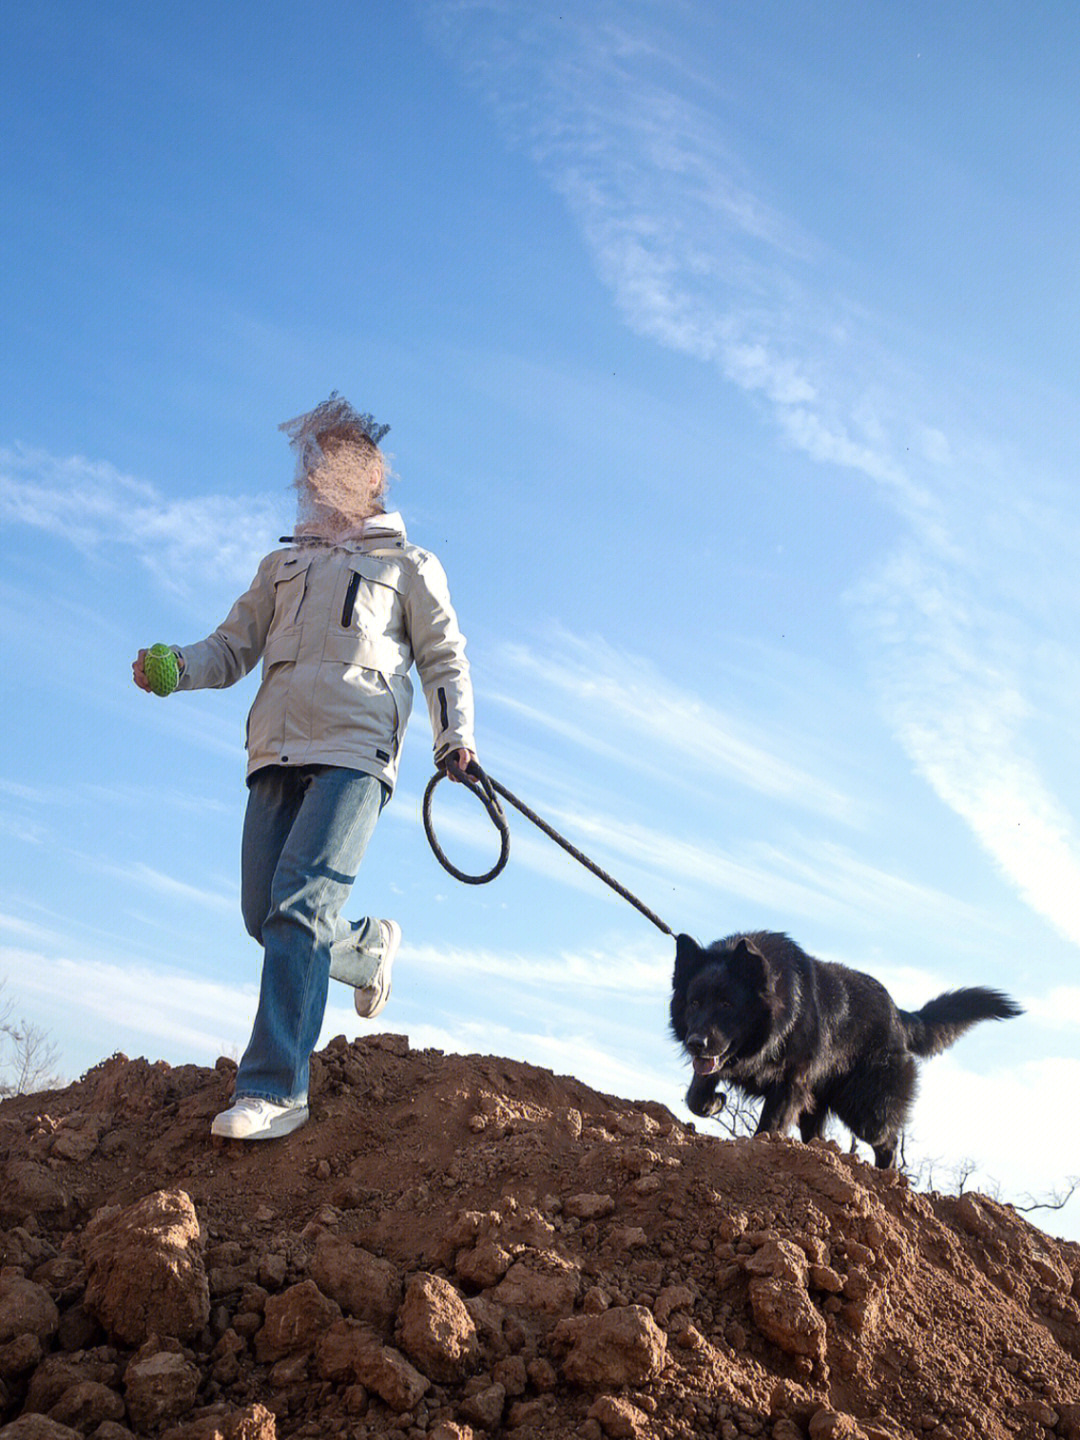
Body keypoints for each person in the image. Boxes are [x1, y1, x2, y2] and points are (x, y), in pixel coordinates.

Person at [132, 393, 477, 1141]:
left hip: (356, 753)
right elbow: (230, 648)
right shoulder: (280, 565)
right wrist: (173, 668)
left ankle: (275, 1086)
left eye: (329, 461)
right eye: (309, 462)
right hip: (275, 751)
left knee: (297, 905)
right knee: (267, 913)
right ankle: (366, 948)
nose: (312, 474)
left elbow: (444, 657)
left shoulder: (409, 565)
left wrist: (454, 740)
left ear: (369, 475)